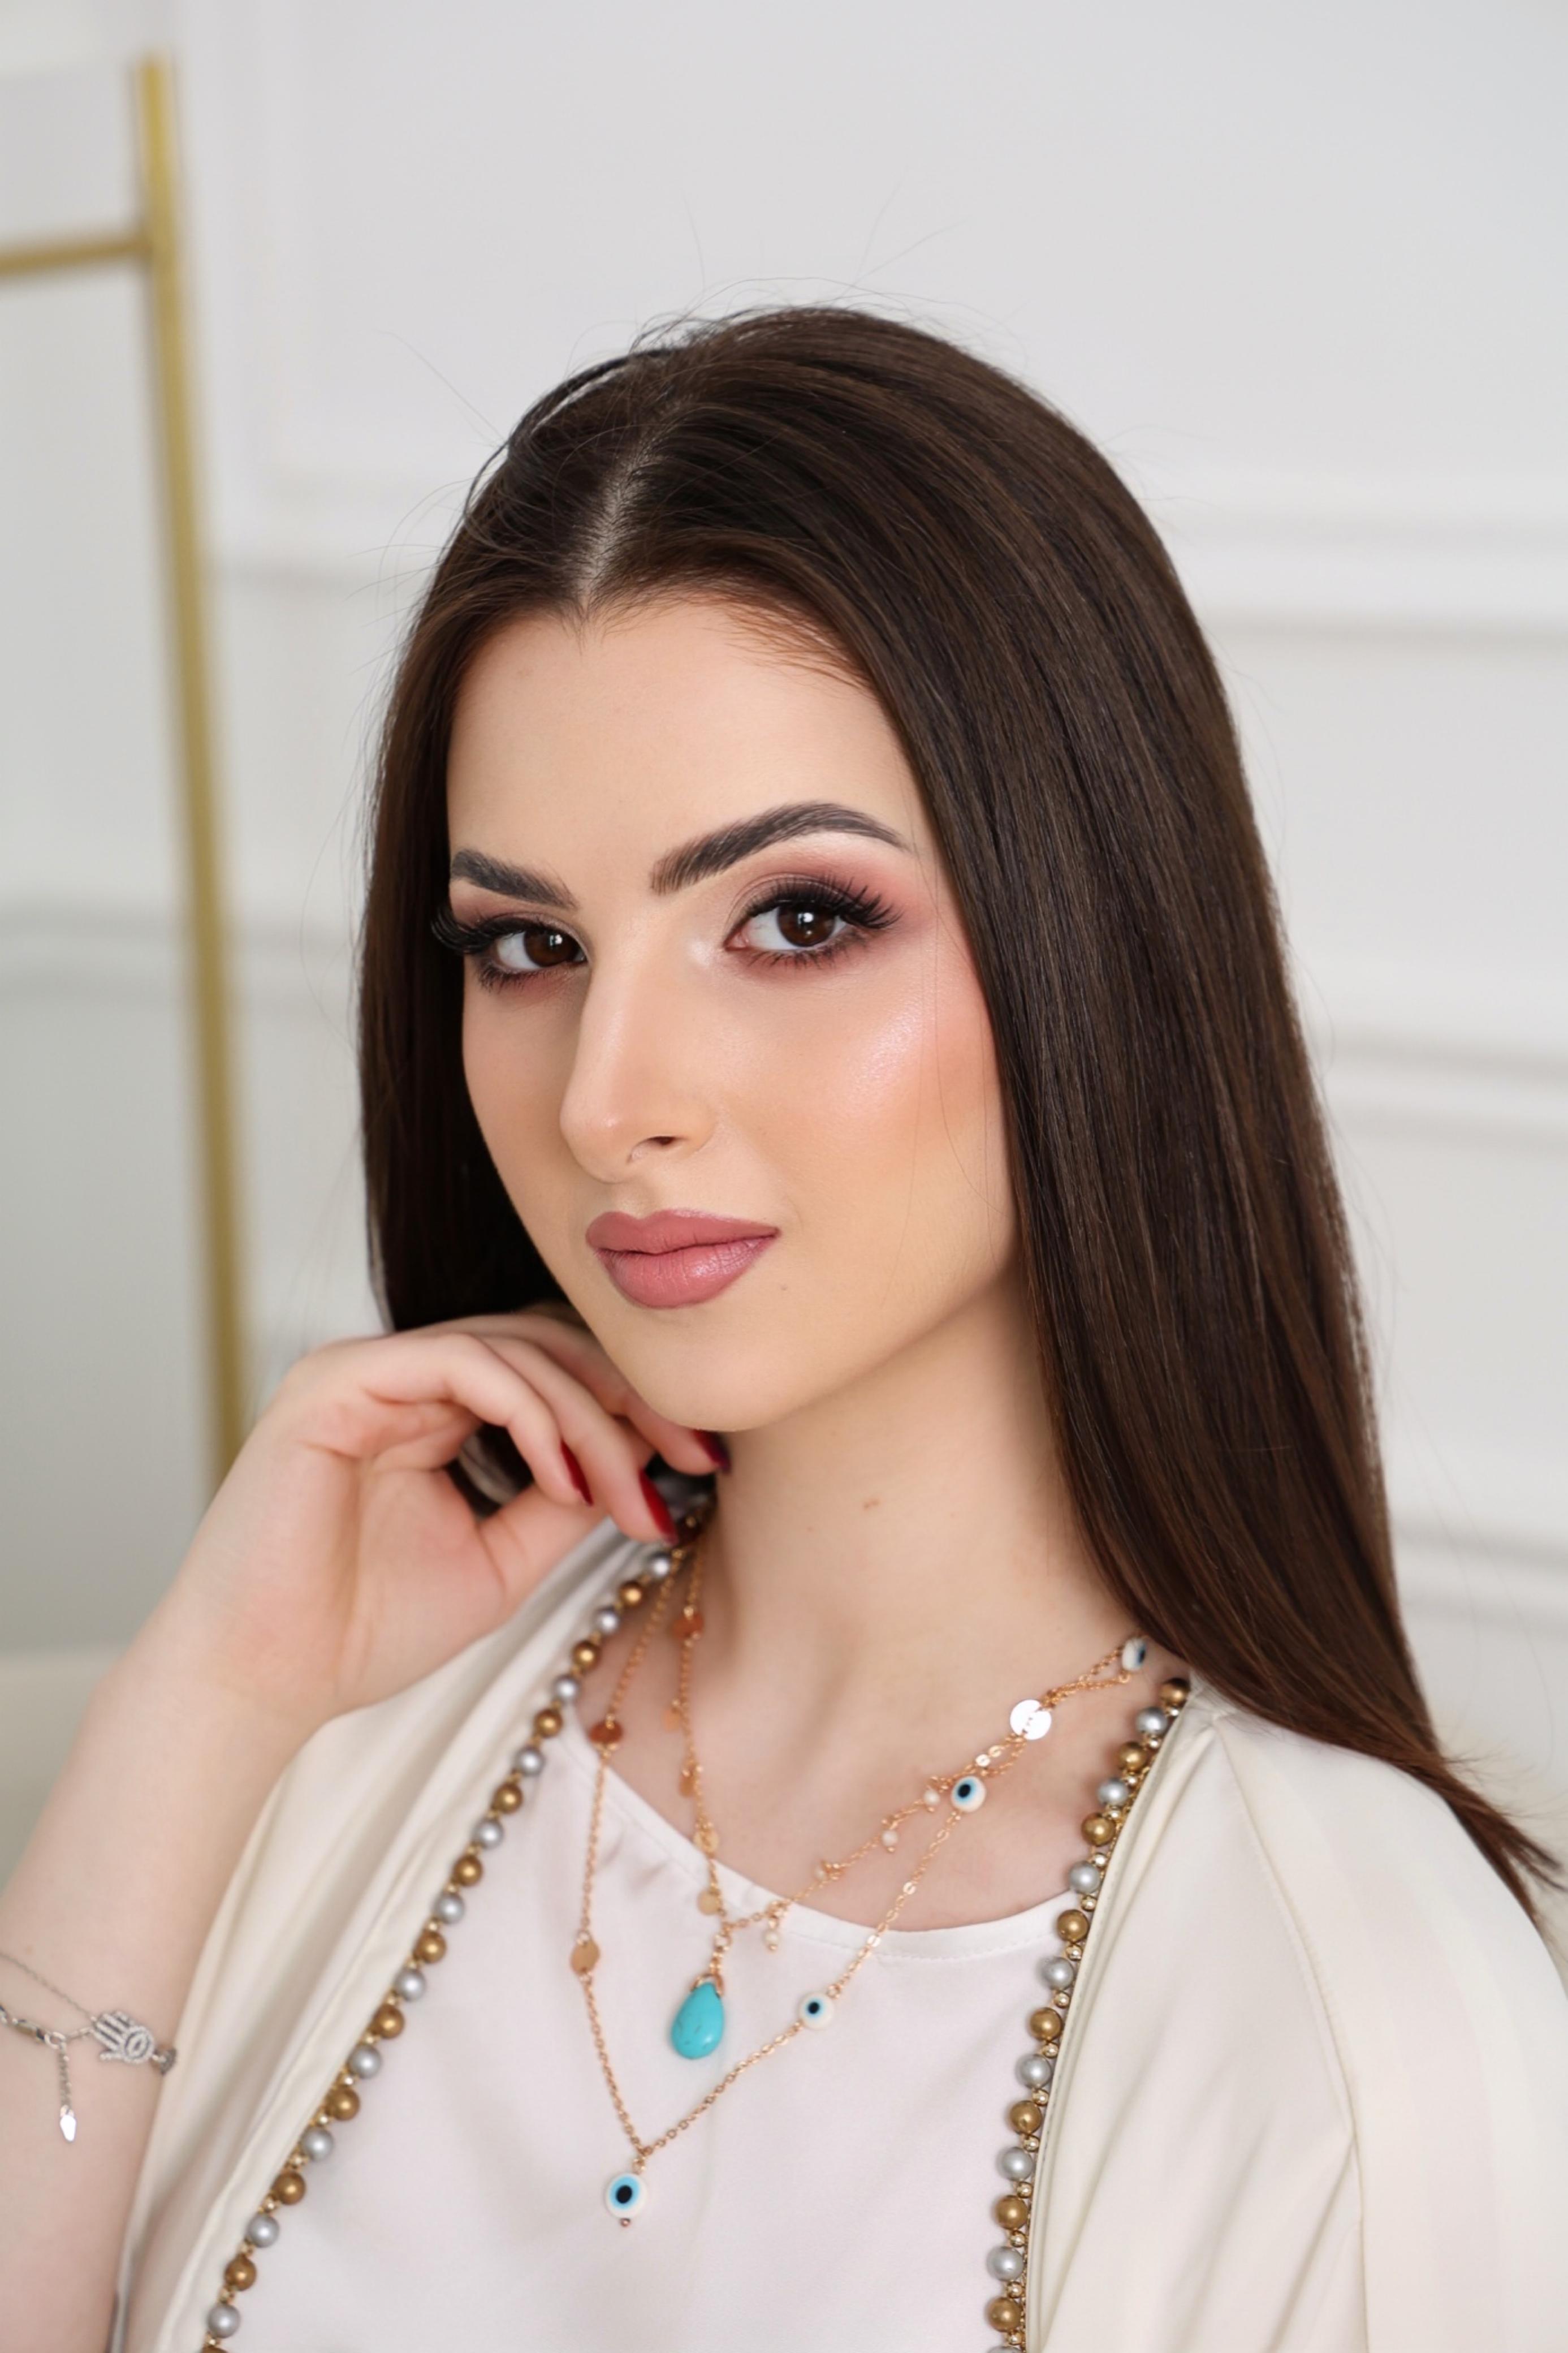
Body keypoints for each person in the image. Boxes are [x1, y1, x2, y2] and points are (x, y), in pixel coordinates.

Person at [2, 307, 1565, 2353]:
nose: (605, 1097)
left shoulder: (1363, 2033)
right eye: (529, 946)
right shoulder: (361, 1715)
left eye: (798, 920)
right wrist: (201, 1710)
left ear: (1093, 939)